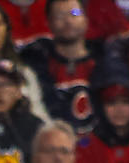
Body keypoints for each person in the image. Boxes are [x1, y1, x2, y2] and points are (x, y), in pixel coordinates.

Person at [18, 0, 104, 136]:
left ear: (86, 19)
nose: (68, 21)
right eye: (59, 16)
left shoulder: (104, 60)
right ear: (48, 23)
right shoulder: (36, 64)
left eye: (75, 13)